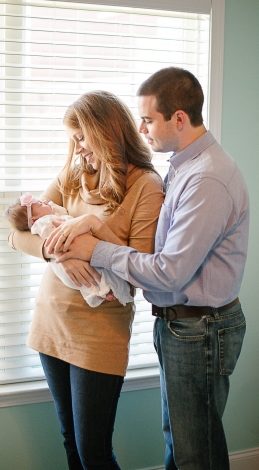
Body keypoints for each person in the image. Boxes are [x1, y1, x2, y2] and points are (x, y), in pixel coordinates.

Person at [47, 67, 248, 470]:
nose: (140, 129)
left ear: (178, 118)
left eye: (148, 119)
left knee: (196, 453)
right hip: (180, 325)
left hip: (200, 328)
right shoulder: (183, 165)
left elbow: (169, 271)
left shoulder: (206, 178)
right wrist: (77, 242)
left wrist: (95, 247)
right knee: (182, 442)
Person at [7, 90, 164, 468]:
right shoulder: (73, 176)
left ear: (106, 131)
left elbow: (140, 266)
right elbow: (17, 233)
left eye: (81, 137)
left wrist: (91, 231)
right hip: (52, 320)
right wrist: (55, 251)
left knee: (93, 450)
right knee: (70, 442)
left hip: (99, 333)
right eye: (71, 139)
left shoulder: (146, 186)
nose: (76, 149)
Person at [4, 192, 132, 306]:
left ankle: (104, 290)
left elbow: (137, 263)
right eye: (40, 204)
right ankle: (102, 291)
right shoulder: (43, 222)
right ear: (34, 219)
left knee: (96, 272)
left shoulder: (50, 214)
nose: (44, 201)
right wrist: (57, 252)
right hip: (52, 303)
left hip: (101, 322)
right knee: (89, 275)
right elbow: (14, 237)